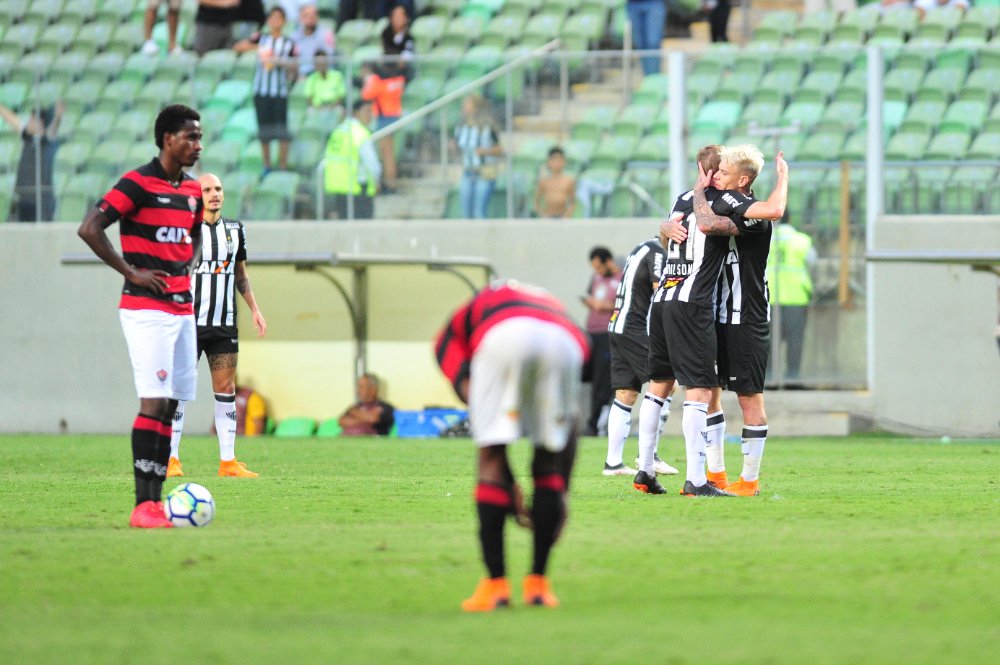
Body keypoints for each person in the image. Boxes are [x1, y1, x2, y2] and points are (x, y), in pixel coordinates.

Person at [76, 105, 204, 528]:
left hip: (182, 308)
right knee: (153, 401)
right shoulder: (137, 182)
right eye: (190, 137)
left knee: (170, 406)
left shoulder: (191, 191)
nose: (197, 146)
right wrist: (131, 271)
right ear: (167, 138)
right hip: (146, 310)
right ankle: (142, 505)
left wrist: (186, 269)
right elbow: (91, 227)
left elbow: (195, 234)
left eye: (199, 138)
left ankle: (156, 501)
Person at [434, 280, 590, 612]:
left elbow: (445, 351)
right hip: (566, 344)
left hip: (503, 336)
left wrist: (503, 477)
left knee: (489, 456)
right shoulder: (553, 305)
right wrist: (563, 493)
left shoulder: (471, 315)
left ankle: (495, 587)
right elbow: (571, 426)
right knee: (547, 461)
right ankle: (538, 586)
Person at [655, 145, 789, 497]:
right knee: (709, 392)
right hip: (712, 312)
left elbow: (715, 222)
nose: (715, 177)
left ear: (742, 180)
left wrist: (783, 178)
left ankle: (749, 480)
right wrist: (665, 227)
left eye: (723, 173)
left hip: (746, 315)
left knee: (749, 398)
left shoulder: (747, 212)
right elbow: (687, 232)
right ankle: (714, 474)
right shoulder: (722, 200)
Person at [167, 172, 268, 479]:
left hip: (224, 323)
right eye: (207, 189)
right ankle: (171, 459)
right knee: (179, 389)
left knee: (226, 389)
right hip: (189, 322)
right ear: (197, 196)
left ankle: (228, 462)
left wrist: (255, 308)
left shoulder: (236, 230)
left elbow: (240, 274)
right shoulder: (184, 229)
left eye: (218, 189)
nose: (214, 194)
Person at [603, 236, 678, 477]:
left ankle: (613, 463)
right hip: (636, 328)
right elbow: (660, 292)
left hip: (618, 326)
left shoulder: (641, 247)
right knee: (666, 383)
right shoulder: (658, 252)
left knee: (626, 393)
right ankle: (649, 456)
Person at [235, 5, 298, 175]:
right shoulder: (261, 38)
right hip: (261, 91)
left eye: (279, 18)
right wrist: (257, 50)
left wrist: (278, 61)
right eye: (272, 18)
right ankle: (267, 165)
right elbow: (239, 46)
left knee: (281, 130)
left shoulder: (288, 43)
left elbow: (295, 66)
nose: (275, 21)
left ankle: (282, 165)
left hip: (280, 91)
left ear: (284, 21)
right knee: (264, 130)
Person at [767, 217, 816, 381]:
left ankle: (768, 377)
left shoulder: (761, 238)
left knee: (768, 341)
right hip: (796, 298)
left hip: (767, 298)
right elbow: (812, 263)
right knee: (795, 341)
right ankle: (793, 376)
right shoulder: (801, 241)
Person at [0, 102, 63, 222]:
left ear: (40, 123)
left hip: (42, 200)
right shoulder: (26, 137)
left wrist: (58, 116)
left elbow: (54, 128)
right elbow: (11, 119)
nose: (29, 122)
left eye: (32, 120)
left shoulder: (48, 141)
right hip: (24, 197)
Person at [583, 247, 621, 437]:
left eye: (599, 266)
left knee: (603, 380)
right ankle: (592, 421)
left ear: (608, 261)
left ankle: (596, 425)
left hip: (609, 334)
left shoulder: (622, 278)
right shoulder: (596, 278)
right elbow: (591, 295)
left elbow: (626, 304)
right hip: (592, 334)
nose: (597, 271)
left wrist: (607, 306)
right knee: (590, 378)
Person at [324, 100, 381, 219]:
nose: (370, 116)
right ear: (356, 113)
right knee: (362, 229)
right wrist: (376, 180)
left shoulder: (338, 131)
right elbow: (371, 162)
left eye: (371, 112)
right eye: (367, 111)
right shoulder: (360, 133)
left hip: (338, 185)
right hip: (358, 186)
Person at [454, 94, 503, 219]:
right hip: (468, 171)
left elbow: (500, 149)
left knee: (479, 211)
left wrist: (485, 151)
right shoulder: (461, 125)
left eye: (468, 104)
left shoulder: (488, 126)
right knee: (466, 212)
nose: (464, 107)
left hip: (484, 173)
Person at [292, 2, 336, 78]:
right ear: (300, 18)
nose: (310, 18)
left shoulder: (326, 35)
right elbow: (291, 60)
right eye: (306, 15)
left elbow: (329, 60)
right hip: (299, 77)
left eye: (313, 15)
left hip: (321, 76)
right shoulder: (294, 37)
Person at [626, 0, 666, 76]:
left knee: (653, 43)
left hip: (654, 3)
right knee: (640, 44)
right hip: (632, 4)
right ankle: (647, 78)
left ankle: (654, 78)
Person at [534, 147, 576, 218]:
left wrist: (567, 215)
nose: (557, 162)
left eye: (560, 159)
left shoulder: (569, 181)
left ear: (564, 162)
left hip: (563, 216)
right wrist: (543, 215)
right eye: (554, 159)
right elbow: (536, 202)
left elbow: (572, 202)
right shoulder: (543, 182)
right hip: (548, 216)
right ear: (548, 162)